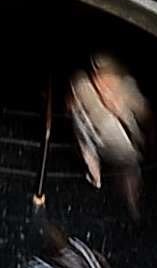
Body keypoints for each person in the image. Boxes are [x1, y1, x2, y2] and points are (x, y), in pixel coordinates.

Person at [64, 53, 149, 216]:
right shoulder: (82, 85)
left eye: (105, 78)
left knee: (130, 169)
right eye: (98, 77)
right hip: (103, 139)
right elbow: (80, 127)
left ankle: (134, 211)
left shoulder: (128, 87)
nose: (102, 84)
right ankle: (128, 208)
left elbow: (144, 115)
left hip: (126, 150)